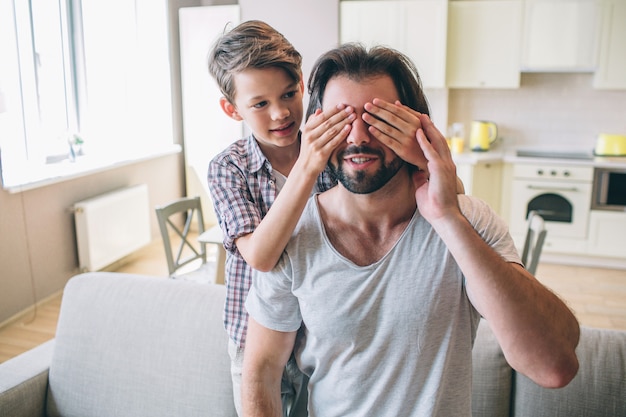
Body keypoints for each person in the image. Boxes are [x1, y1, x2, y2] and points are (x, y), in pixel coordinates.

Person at [242, 43, 580, 417]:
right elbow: (260, 373)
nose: (357, 137)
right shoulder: (292, 235)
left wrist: (446, 216)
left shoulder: (465, 220)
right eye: (340, 119)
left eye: (378, 119)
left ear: (416, 125)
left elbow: (554, 366)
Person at [206, 20, 355, 416]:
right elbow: (260, 255)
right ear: (230, 107)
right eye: (259, 103)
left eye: (289, 94)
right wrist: (308, 167)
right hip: (253, 339)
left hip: (325, 335)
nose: (281, 113)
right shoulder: (228, 168)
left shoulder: (334, 153)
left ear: (303, 83)